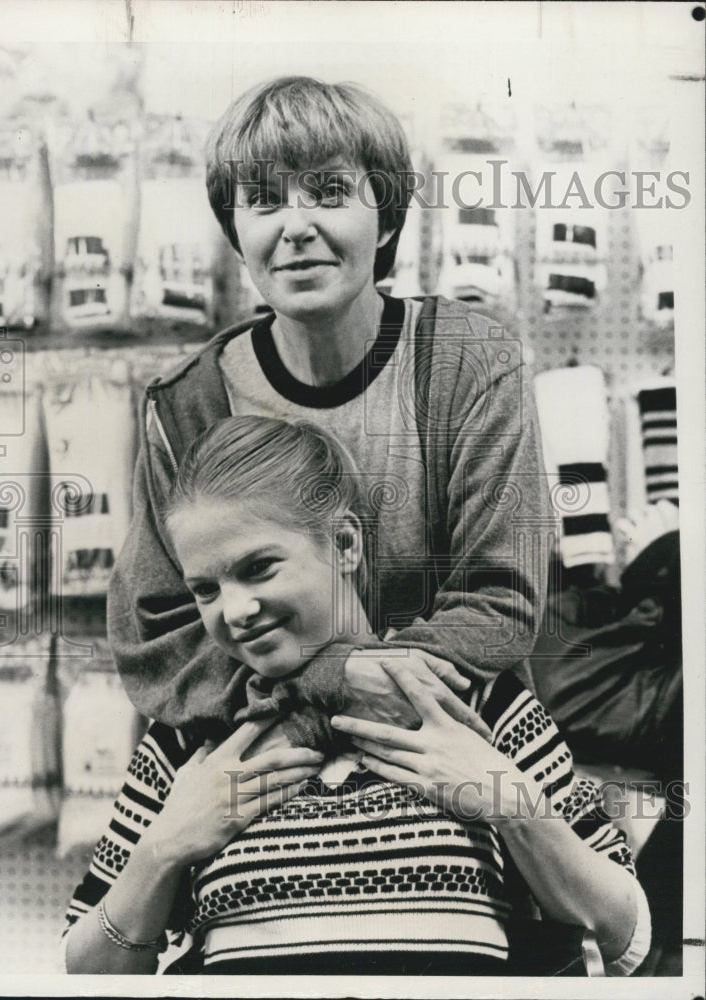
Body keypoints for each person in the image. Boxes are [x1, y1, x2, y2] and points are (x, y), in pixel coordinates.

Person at [64, 417, 649, 976]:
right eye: (206, 589)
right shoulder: (190, 736)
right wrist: (164, 848)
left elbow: (626, 936)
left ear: (344, 543)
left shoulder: (474, 702)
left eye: (260, 568)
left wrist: (508, 802)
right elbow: (85, 968)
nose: (234, 610)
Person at [108, 74, 553, 750]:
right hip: (264, 757)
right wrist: (328, 681)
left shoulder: (470, 362)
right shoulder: (187, 404)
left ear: (388, 216)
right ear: (235, 230)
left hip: (450, 746)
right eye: (262, 200)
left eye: (329, 192)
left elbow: (499, 598)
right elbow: (158, 636)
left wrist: (346, 675)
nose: (296, 226)